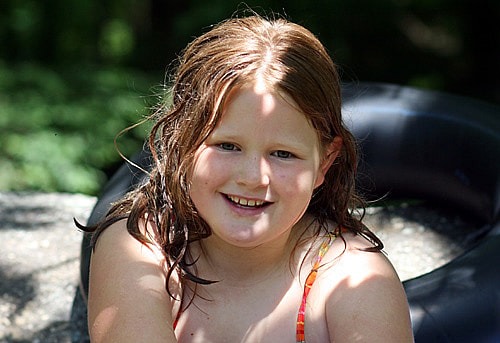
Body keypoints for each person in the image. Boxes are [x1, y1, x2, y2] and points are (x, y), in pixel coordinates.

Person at [81, 14, 414, 342]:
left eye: (283, 154)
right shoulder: (141, 248)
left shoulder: (354, 280)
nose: (254, 177)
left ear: (325, 163)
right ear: (181, 144)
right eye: (227, 146)